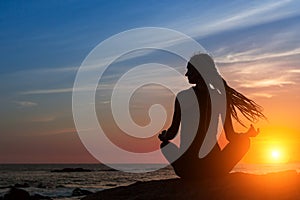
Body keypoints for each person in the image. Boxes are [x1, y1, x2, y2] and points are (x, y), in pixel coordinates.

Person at [159, 53, 265, 179]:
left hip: (187, 168)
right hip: (214, 168)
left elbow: (172, 133)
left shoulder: (183, 97)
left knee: (164, 144)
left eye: (189, 70)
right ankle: (214, 173)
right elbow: (231, 136)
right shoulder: (220, 98)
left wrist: (163, 136)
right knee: (245, 142)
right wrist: (246, 135)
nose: (186, 74)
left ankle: (193, 175)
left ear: (199, 71)